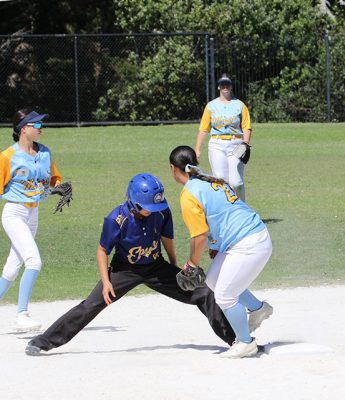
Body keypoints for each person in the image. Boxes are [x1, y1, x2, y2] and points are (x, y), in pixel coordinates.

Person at [25, 173, 235, 355]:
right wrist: (106, 282)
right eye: (147, 207)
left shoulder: (161, 212)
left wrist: (174, 266)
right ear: (134, 202)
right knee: (90, 305)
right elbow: (102, 251)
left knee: (204, 293)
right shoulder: (116, 219)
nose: (152, 210)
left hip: (156, 267)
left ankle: (235, 340)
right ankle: (43, 341)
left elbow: (166, 239)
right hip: (124, 270)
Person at [169, 145, 273, 358]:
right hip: (247, 238)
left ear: (172, 169)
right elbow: (219, 214)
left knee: (225, 296)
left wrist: (191, 264)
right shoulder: (207, 178)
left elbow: (199, 236)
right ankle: (257, 309)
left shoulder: (188, 194)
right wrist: (216, 248)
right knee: (214, 282)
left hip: (248, 242)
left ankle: (246, 343)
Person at [0, 109, 62, 332]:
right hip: (14, 213)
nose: (40, 127)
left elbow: (54, 180)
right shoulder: (7, 156)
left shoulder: (44, 153)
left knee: (11, 270)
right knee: (34, 261)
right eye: (36, 124)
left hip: (33, 215)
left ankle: (20, 313)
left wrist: (61, 189)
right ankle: (22, 314)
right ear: (23, 128)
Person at [194, 73, 252, 201]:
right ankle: (226, 210)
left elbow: (246, 126)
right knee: (220, 179)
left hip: (236, 144)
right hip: (216, 144)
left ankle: (242, 211)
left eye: (227, 84)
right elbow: (203, 129)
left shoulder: (240, 105)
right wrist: (197, 149)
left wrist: (246, 143)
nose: (225, 86)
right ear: (218, 87)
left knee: (236, 183)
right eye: (222, 84)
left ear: (231, 87)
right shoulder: (211, 106)